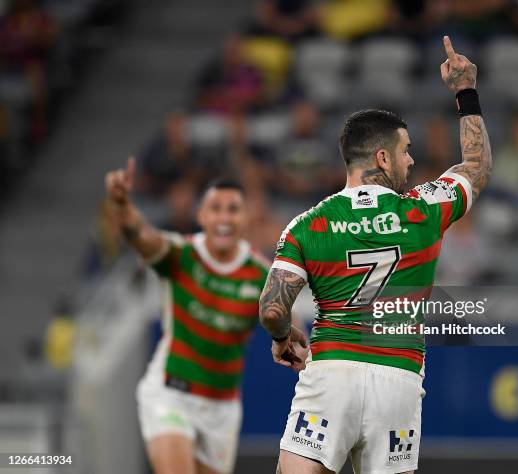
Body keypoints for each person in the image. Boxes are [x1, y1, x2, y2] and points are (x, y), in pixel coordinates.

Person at [259, 36, 492, 474]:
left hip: (331, 373)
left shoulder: (308, 224)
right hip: (398, 380)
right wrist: (465, 92)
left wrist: (281, 337)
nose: (411, 158)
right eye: (406, 150)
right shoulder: (423, 209)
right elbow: (476, 169)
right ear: (383, 157)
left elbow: (272, 309)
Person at [105, 159, 306, 474]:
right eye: (216, 208)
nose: (224, 217)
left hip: (221, 406)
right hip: (171, 392)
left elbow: (290, 329)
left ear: (246, 216)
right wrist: (121, 204)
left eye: (233, 209)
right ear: (201, 215)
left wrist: (293, 346)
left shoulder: (261, 276)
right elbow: (140, 236)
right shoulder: (181, 255)